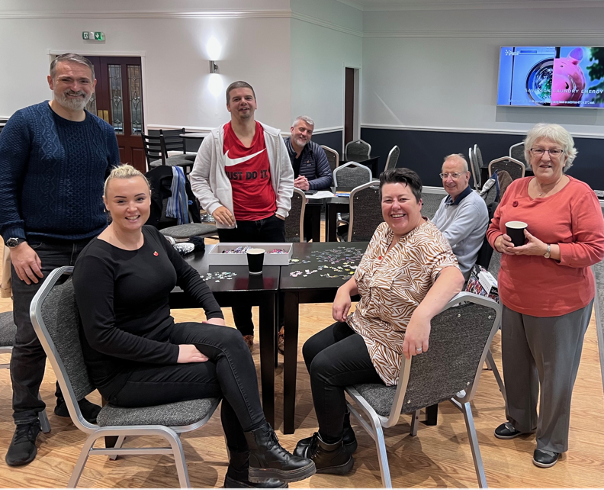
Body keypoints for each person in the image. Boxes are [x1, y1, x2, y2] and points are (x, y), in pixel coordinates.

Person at [72, 166, 315, 489]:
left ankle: (258, 453)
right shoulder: (96, 260)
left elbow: (187, 276)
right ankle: (249, 467)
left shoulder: (151, 235)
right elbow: (102, 337)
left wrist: (214, 313)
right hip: (124, 372)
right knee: (231, 376)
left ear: (150, 199)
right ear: (106, 203)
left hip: (162, 334)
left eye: (139, 199)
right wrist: (174, 354)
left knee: (231, 341)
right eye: (121, 201)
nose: (132, 208)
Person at [294, 168, 464, 474]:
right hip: (368, 324)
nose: (395, 206)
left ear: (419, 202)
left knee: (324, 368)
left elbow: (454, 276)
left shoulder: (428, 240)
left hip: (396, 341)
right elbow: (365, 275)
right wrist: (345, 289)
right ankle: (342, 433)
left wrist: (422, 315)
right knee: (311, 348)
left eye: (403, 199)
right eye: (388, 200)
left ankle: (333, 452)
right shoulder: (384, 231)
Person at [0, 53, 119, 467]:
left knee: (86, 329)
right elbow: (3, 183)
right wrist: (15, 241)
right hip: (37, 248)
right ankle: (26, 420)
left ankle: (71, 399)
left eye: (83, 81)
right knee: (31, 338)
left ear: (93, 86)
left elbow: (113, 186)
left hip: (92, 246)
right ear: (51, 81)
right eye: (67, 79)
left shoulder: (103, 131)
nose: (76, 87)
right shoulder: (26, 123)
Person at [486, 123, 604, 468]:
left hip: (560, 303)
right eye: (538, 149)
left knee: (555, 374)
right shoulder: (516, 187)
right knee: (517, 366)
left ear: (566, 157)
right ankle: (521, 421)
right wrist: (497, 241)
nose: (546, 157)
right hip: (513, 294)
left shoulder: (579, 194)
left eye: (554, 151)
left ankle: (551, 440)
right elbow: (494, 226)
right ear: (528, 154)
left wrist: (548, 250)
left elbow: (596, 249)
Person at [190, 81, 294, 351]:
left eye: (248, 97)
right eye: (236, 99)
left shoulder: (272, 137)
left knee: (277, 279)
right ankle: (245, 334)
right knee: (238, 283)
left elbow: (286, 177)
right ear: (228, 106)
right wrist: (214, 206)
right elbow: (197, 178)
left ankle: (279, 329)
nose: (243, 102)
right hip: (234, 226)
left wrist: (281, 211)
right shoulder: (215, 140)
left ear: (256, 103)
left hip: (270, 222)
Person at [431, 154, 489, 280]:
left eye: (454, 175)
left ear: (467, 176)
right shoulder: (447, 199)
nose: (448, 180)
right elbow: (431, 227)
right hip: (440, 257)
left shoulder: (472, 205)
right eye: (445, 175)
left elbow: (446, 240)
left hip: (454, 268)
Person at [284, 116, 332, 192]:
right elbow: (269, 176)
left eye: (309, 132)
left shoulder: (316, 149)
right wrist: (289, 184)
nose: (304, 134)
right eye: (301, 129)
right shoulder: (279, 148)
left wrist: (308, 184)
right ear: (292, 130)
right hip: (282, 194)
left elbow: (327, 177)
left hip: (308, 196)